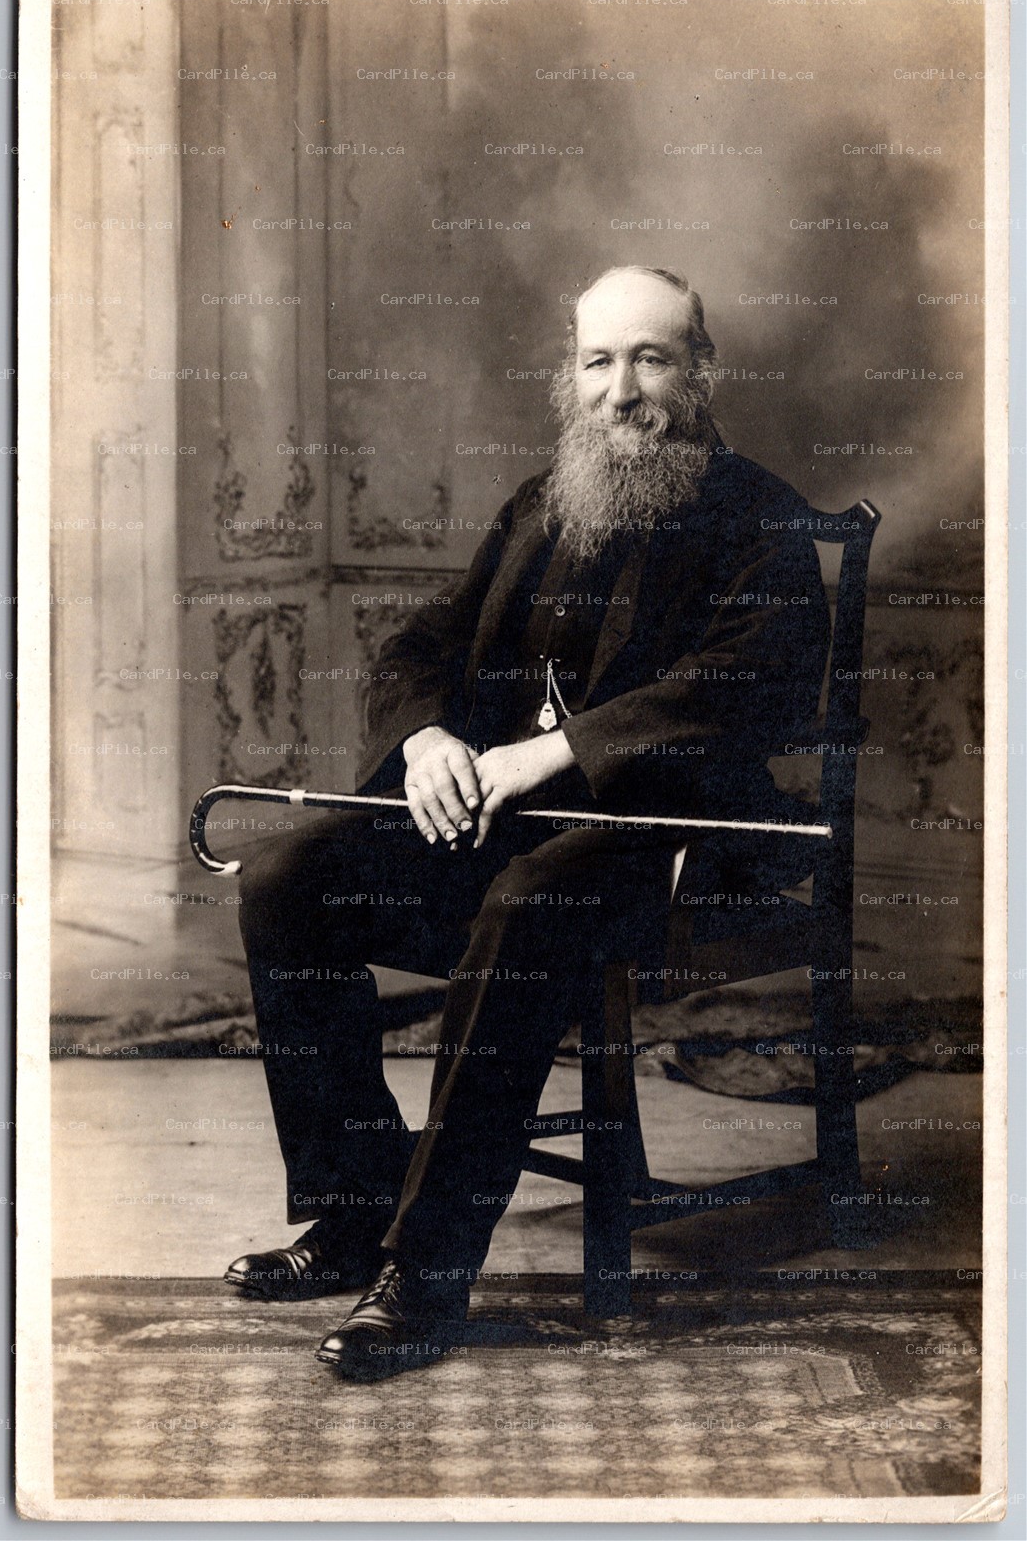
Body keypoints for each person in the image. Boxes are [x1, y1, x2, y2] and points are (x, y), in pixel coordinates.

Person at [226, 265, 831, 1382]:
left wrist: (550, 751)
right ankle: (356, 1207)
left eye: (650, 357)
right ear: (571, 377)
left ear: (699, 370)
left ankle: (426, 1271)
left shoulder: (761, 519)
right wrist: (428, 743)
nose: (622, 389)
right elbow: (422, 648)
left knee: (526, 899)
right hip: (519, 833)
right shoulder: (541, 505)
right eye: (598, 361)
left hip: (676, 846)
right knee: (286, 877)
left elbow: (743, 687)